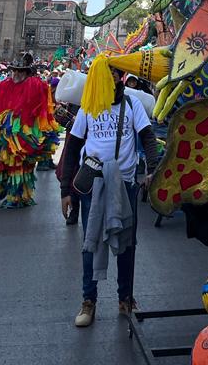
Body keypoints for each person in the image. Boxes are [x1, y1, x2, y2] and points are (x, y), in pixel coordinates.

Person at [59, 54, 161, 328]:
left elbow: (148, 137)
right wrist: (65, 190)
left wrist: (152, 168)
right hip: (92, 186)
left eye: (117, 75)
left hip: (125, 185)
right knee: (90, 242)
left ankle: (125, 298)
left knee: (127, 243)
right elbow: (72, 149)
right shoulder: (88, 108)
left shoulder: (132, 105)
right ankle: (88, 300)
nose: (114, 79)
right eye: (109, 75)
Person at [0, 52, 58, 206]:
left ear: (27, 72)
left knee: (20, 166)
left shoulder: (36, 85)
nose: (16, 74)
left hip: (23, 137)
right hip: (1, 134)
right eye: (14, 70)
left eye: (20, 71)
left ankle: (18, 196)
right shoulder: (3, 85)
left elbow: (41, 110)